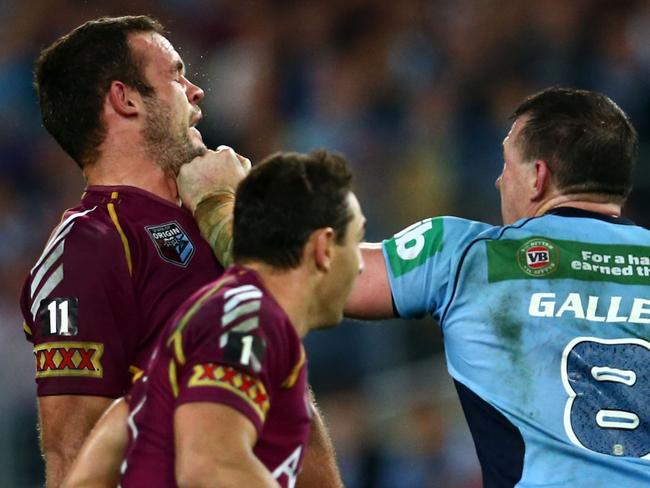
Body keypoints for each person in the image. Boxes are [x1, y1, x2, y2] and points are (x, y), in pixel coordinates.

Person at [181, 87, 650, 486]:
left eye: (506, 162)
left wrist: (217, 199)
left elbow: (299, 274)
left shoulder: (465, 256)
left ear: (537, 176)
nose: (497, 178)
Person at [20, 16, 341, 488]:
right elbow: (73, 452)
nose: (195, 91)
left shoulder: (213, 215)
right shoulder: (88, 247)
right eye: (175, 74)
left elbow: (293, 405)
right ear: (124, 98)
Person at [64, 150, 365, 488]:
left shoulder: (224, 313)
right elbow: (210, 465)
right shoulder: (249, 320)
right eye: (356, 241)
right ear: (323, 248)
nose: (360, 264)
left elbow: (120, 427)